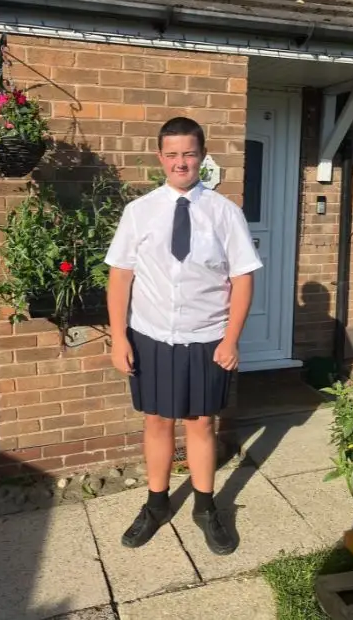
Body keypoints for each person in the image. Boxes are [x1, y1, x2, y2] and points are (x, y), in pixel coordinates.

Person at [104, 116, 262, 555]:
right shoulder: (138, 213)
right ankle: (156, 505)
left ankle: (205, 507)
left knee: (201, 423)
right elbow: (119, 278)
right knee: (156, 420)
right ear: (160, 158)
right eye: (172, 154)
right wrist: (120, 338)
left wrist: (231, 340)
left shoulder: (225, 213)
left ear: (202, 156)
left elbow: (243, 279)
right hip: (151, 336)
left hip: (207, 337)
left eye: (189, 153)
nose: (180, 162)